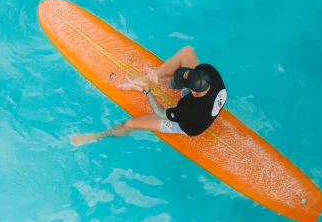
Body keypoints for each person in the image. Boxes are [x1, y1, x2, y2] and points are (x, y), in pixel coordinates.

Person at [70, 45, 227, 146]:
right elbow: (175, 83)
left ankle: (97, 136)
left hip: (187, 124)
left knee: (130, 124)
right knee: (187, 52)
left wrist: (147, 89)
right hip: (200, 101)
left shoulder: (191, 112)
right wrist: (155, 80)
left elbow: (161, 113)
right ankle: (147, 78)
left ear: (192, 91)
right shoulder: (210, 73)